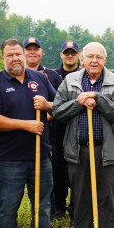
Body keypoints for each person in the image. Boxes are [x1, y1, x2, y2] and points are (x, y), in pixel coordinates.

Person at [0, 39, 57, 228]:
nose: (15, 58)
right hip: (9, 158)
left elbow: (57, 105)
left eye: (18, 54)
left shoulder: (40, 79)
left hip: (40, 155)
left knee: (42, 203)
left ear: (25, 55)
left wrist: (47, 107)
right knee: (8, 204)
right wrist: (26, 125)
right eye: (10, 55)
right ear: (3, 58)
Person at [52, 42, 114, 228]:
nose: (94, 61)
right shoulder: (70, 81)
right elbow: (58, 110)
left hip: (107, 151)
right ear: (82, 59)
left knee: (106, 198)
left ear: (105, 60)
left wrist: (98, 99)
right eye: (90, 57)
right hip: (79, 150)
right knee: (80, 198)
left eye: (99, 57)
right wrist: (78, 103)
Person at [51, 40, 80, 218]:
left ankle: (74, 207)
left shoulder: (84, 75)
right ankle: (59, 206)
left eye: (73, 52)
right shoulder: (53, 76)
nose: (70, 55)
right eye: (66, 53)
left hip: (77, 128)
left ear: (78, 55)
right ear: (61, 55)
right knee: (58, 170)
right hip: (57, 129)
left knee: (76, 172)